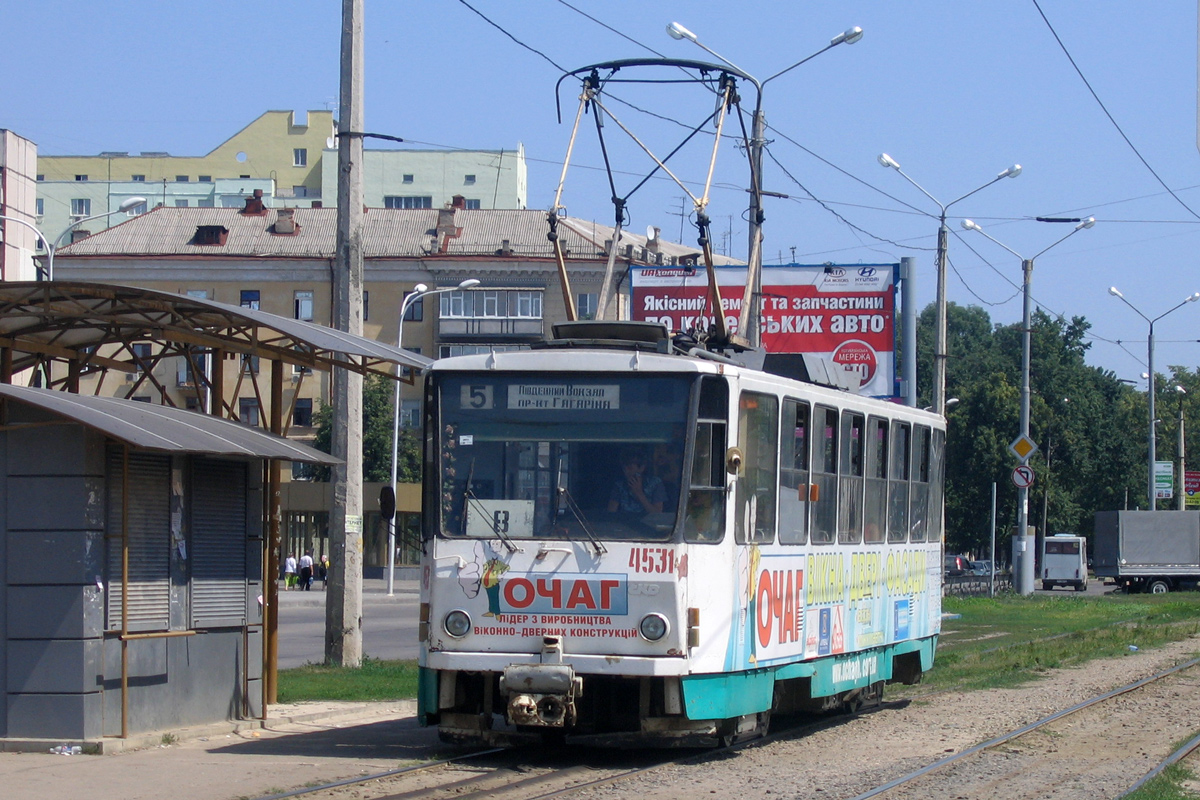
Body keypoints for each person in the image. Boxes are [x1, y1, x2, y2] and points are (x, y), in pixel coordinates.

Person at [608, 447, 666, 516]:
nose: (626, 472)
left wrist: (639, 493)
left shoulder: (655, 483)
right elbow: (611, 513)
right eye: (624, 468)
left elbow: (658, 515)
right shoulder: (619, 485)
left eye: (630, 468)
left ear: (641, 468)